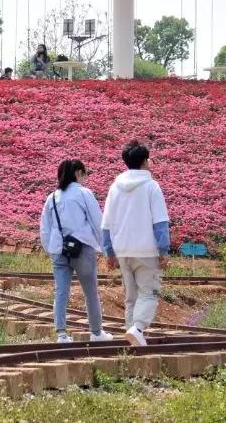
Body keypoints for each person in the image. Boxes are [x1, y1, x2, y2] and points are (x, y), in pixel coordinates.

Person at [101, 141, 170, 347]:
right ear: (144, 161)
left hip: (122, 250)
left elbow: (106, 224)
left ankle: (131, 336)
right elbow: (160, 222)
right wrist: (163, 250)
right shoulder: (151, 186)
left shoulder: (115, 187)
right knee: (149, 292)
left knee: (131, 296)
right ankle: (138, 329)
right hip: (146, 249)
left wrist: (109, 252)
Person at [40, 160, 112, 343]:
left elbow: (45, 228)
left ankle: (62, 334)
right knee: (90, 291)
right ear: (79, 173)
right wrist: (106, 248)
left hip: (59, 250)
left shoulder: (52, 197)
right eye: (84, 174)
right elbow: (97, 222)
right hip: (83, 249)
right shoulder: (83, 193)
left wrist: (51, 249)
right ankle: (96, 333)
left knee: (61, 292)